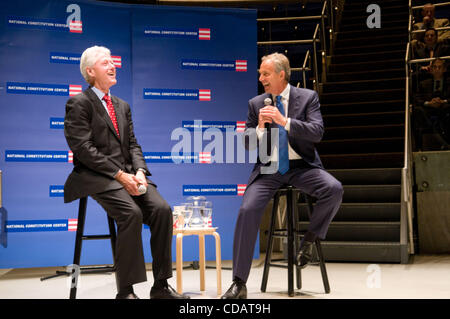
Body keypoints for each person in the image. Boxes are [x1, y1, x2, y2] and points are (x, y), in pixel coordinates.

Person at [64, 46, 187, 299]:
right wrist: (119, 175)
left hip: (130, 175)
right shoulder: (79, 103)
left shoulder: (122, 105)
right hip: (96, 177)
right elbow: (83, 149)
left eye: (113, 61)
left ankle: (161, 286)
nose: (112, 65)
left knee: (162, 210)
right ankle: (126, 292)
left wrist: (140, 171)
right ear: (90, 71)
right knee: (131, 214)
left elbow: (133, 144)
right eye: (105, 63)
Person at [221, 53, 343, 299]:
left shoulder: (308, 98)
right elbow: (246, 144)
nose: (261, 78)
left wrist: (284, 121)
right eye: (260, 74)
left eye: (265, 73)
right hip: (270, 169)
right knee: (247, 211)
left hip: (303, 167)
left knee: (334, 189)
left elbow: (317, 132)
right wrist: (259, 129)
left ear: (281, 74)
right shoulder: (256, 103)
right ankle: (238, 283)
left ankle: (308, 241)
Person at [413, 58, 450, 150]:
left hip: (446, 108)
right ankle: (442, 142)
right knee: (417, 110)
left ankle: (442, 141)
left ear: (444, 69)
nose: (437, 69)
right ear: (431, 69)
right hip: (429, 109)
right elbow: (417, 98)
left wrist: (443, 101)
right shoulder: (423, 84)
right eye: (435, 67)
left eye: (439, 67)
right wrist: (428, 103)